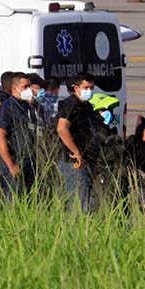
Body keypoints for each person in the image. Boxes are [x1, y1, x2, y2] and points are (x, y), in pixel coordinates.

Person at [55, 72, 101, 212]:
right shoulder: (71, 104)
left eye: (91, 88)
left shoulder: (87, 106)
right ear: (76, 88)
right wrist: (76, 152)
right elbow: (62, 129)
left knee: (85, 200)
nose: (89, 91)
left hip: (88, 159)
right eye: (86, 87)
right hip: (74, 162)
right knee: (77, 203)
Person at [0, 72, 38, 199]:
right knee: (13, 199)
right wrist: (11, 165)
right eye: (25, 87)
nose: (29, 90)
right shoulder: (6, 108)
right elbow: (0, 138)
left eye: (29, 86)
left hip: (30, 160)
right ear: (14, 89)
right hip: (15, 160)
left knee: (28, 199)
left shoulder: (28, 106)